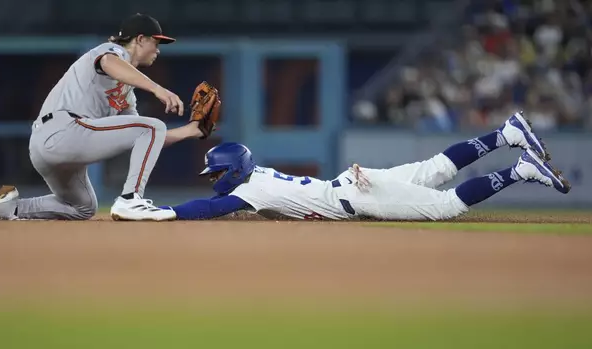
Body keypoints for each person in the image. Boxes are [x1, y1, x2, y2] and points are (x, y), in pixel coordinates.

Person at [0, 13, 219, 221]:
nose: (158, 49)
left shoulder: (126, 93)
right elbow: (110, 63)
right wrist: (157, 88)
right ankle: (131, 199)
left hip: (52, 145)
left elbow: (144, 136)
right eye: (156, 42)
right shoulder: (112, 51)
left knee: (82, 208)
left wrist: (191, 130)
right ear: (140, 39)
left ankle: (8, 208)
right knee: (151, 126)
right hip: (61, 130)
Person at [158, 112, 570, 221]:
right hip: (355, 183)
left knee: (446, 205)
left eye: (216, 174)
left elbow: (209, 209)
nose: (214, 181)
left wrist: (167, 212)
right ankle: (505, 135)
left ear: (232, 170)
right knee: (437, 167)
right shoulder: (257, 178)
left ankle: (520, 170)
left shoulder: (250, 190)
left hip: (358, 195)